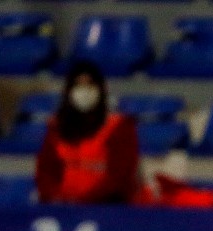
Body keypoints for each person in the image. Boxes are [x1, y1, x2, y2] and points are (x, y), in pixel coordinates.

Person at [35, 60, 144, 205]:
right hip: (63, 209)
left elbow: (120, 176)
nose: (84, 91)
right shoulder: (57, 127)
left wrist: (84, 201)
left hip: (107, 209)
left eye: (90, 85)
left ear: (101, 89)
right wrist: (56, 197)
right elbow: (45, 172)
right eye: (78, 85)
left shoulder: (119, 127)